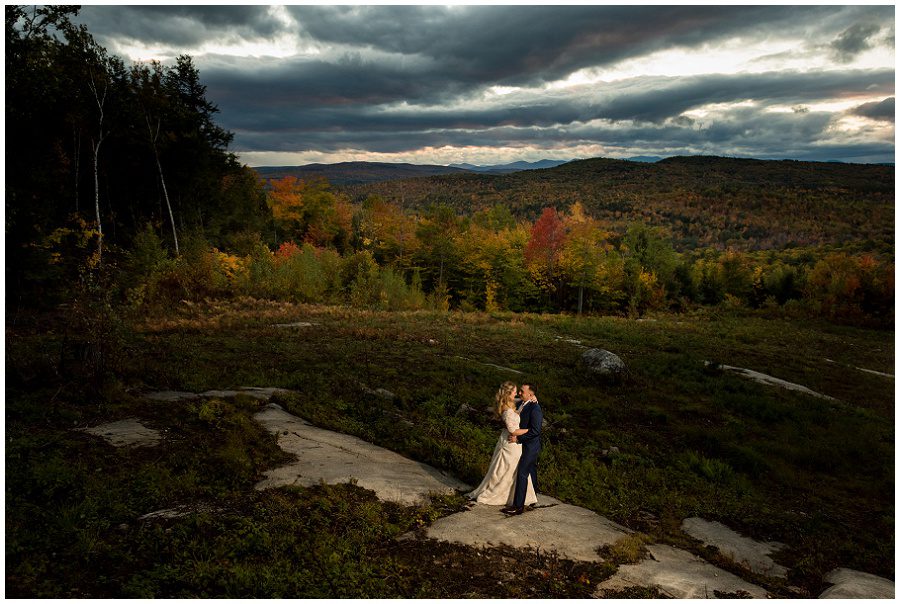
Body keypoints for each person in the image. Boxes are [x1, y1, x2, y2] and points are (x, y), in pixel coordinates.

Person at [466, 381, 537, 506]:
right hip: (510, 441)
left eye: (519, 392)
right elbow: (513, 430)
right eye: (515, 392)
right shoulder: (508, 410)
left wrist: (532, 397)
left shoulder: (510, 402)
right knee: (506, 469)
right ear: (509, 394)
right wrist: (530, 430)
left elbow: (521, 401)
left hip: (510, 441)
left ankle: (515, 495)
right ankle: (501, 494)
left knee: (513, 470)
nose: (518, 394)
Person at [502, 382, 542, 516]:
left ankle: (518, 507)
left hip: (530, 446)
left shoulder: (535, 409)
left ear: (530, 394)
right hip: (523, 445)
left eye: (522, 392)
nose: (519, 393)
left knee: (522, 473)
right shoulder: (522, 403)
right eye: (519, 391)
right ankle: (532, 498)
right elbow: (511, 399)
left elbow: (536, 431)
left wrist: (518, 439)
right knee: (531, 470)